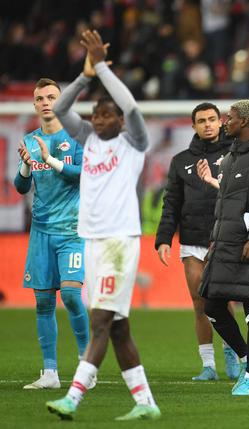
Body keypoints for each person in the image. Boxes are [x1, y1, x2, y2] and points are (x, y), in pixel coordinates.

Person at [46, 30, 160, 420]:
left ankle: (72, 398)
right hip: (91, 240)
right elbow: (61, 109)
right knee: (118, 327)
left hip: (118, 242)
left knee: (99, 322)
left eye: (106, 114)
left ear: (119, 120)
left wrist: (104, 67)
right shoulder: (89, 138)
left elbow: (131, 108)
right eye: (95, 113)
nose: (99, 118)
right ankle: (146, 404)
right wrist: (85, 74)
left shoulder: (133, 142)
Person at [197, 100, 249, 396]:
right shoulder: (231, 156)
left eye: (229, 118)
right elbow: (226, 206)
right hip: (225, 244)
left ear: (244, 122)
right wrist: (215, 239)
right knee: (212, 306)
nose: (224, 122)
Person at [154, 102, 241, 381]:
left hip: (224, 238)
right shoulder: (181, 161)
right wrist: (163, 238)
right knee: (199, 302)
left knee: (224, 300)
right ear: (193, 126)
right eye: (201, 120)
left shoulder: (235, 152)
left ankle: (231, 353)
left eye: (212, 119)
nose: (207, 124)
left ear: (221, 122)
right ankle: (208, 365)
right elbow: (172, 203)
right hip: (191, 240)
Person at [15, 78, 90, 390]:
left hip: (72, 230)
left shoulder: (76, 138)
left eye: (51, 97)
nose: (45, 102)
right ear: (34, 105)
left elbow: (85, 176)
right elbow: (20, 188)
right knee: (43, 303)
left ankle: (87, 366)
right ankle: (50, 374)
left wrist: (50, 161)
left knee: (72, 296)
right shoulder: (29, 140)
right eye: (40, 98)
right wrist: (26, 167)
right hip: (41, 233)